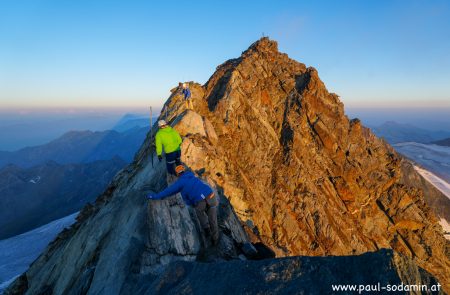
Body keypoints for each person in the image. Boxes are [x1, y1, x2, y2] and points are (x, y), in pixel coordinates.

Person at [146, 165, 220, 245]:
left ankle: (206, 230)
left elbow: (168, 191)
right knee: (213, 219)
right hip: (211, 195)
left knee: (199, 213)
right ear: (184, 170)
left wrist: (155, 196)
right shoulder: (191, 175)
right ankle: (215, 239)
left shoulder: (180, 183)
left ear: (177, 174)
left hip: (200, 201)